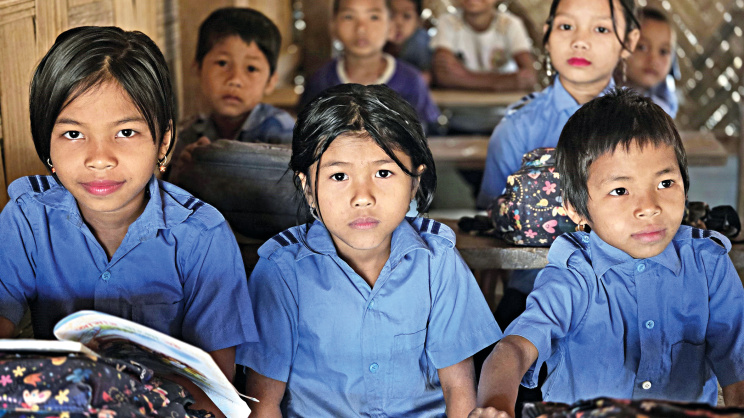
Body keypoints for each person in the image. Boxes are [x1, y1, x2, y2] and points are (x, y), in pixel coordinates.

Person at [0, 26, 257, 416]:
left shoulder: (202, 236)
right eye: (73, 133)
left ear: (163, 141)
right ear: (46, 143)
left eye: (125, 132)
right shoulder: (27, 219)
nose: (99, 158)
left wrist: (123, 388)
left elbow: (215, 395)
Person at [471, 88, 744, 418]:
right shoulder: (575, 274)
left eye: (665, 183)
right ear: (576, 209)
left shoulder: (709, 264)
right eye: (620, 190)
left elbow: (738, 368)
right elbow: (514, 348)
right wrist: (496, 405)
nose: (649, 207)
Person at [239, 83, 501, 417]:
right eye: (339, 176)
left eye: (383, 172)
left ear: (414, 183)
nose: (363, 197)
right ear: (308, 188)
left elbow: (459, 390)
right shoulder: (282, 270)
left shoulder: (438, 261)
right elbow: (263, 404)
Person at [168, 7, 295, 183]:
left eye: (251, 68)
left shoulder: (282, 132)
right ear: (198, 68)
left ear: (271, 81)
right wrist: (180, 173)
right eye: (222, 63)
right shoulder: (189, 134)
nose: (235, 80)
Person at [297, 0, 440, 129]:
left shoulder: (411, 81)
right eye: (349, 17)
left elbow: (427, 136)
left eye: (374, 17)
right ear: (333, 25)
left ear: (391, 26)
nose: (361, 28)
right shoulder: (320, 81)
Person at [430, 0, 536, 91]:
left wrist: (463, 77)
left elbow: (529, 77)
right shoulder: (448, 22)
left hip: (502, 104)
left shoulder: (510, 24)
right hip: (459, 105)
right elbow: (443, 75)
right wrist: (504, 81)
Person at [623, 6, 678, 118]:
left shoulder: (665, 106)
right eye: (642, 47)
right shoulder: (598, 93)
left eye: (663, 51)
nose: (653, 60)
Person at [384, 0, 433, 84]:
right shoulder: (378, 41)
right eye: (391, 15)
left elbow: (425, 77)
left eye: (407, 16)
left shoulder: (419, 41)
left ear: (418, 22)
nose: (398, 22)